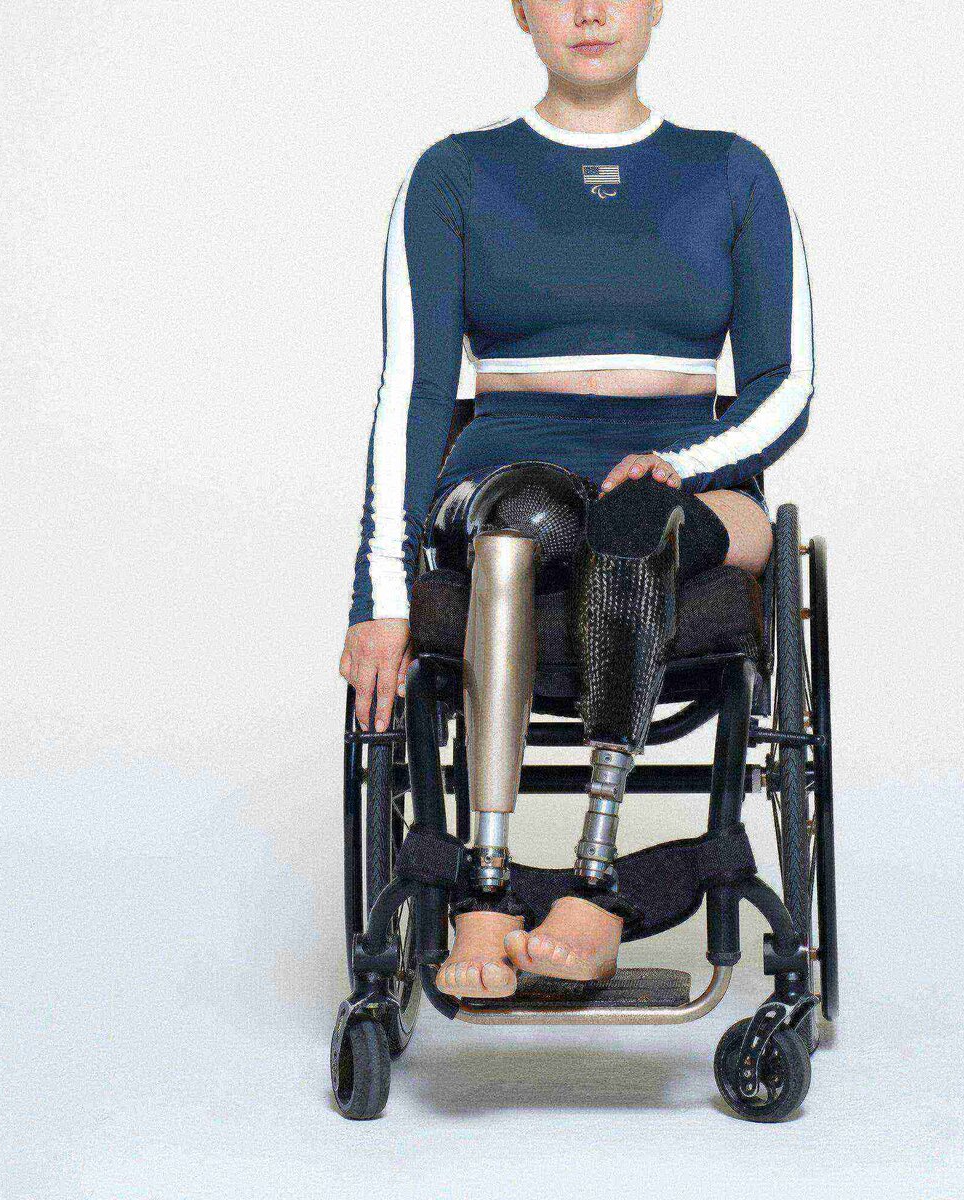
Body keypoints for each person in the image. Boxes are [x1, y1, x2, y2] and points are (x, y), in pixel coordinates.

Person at [339, 0, 814, 999]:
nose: (590, 11)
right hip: (508, 485)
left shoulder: (732, 172)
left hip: (684, 481)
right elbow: (413, 392)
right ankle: (485, 888)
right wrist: (377, 594)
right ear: (520, 10)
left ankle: (595, 887)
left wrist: (680, 463)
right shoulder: (456, 174)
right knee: (526, 516)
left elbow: (787, 386)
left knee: (633, 522)